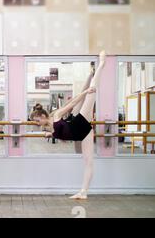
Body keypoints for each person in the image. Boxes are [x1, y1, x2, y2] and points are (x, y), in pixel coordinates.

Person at [31, 51, 107, 200]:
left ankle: (101, 64)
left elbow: (72, 104)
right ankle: (83, 192)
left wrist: (84, 92)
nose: (36, 123)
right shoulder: (49, 128)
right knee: (88, 162)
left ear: (42, 116)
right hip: (81, 135)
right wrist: (50, 134)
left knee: (91, 94)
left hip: (80, 124)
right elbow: (59, 133)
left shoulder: (57, 115)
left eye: (36, 120)